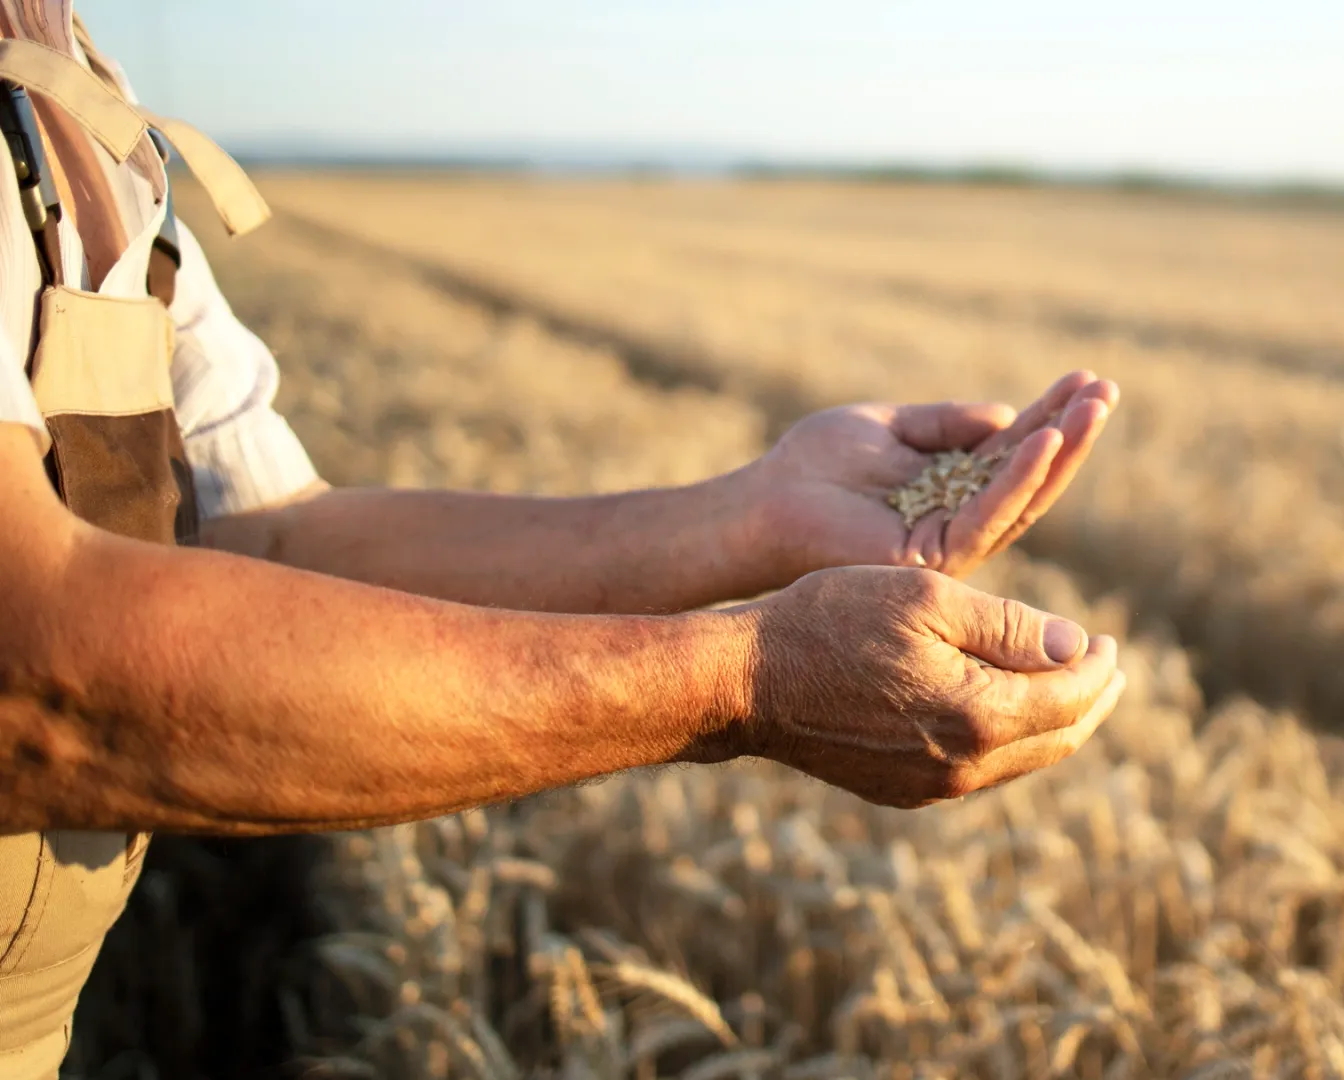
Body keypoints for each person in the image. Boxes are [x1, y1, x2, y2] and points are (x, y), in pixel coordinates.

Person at [0, 6, 1124, 1076]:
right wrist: (748, 678)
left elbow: (260, 538)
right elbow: (34, 667)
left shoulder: (80, 91)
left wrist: (755, 513)